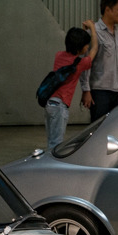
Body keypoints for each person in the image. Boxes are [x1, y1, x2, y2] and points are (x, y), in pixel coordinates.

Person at [43, 21, 98, 150]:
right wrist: (93, 29)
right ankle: (53, 168)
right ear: (80, 49)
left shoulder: (59, 56)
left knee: (51, 141)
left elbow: (81, 51)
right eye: (85, 45)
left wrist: (84, 33)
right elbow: (94, 49)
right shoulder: (79, 64)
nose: (87, 47)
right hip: (60, 106)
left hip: (49, 103)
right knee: (56, 145)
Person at [80, 0, 118, 123]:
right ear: (108, 9)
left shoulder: (116, 32)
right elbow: (85, 63)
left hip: (116, 89)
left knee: (113, 130)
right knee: (98, 131)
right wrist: (86, 90)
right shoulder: (93, 32)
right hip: (100, 91)